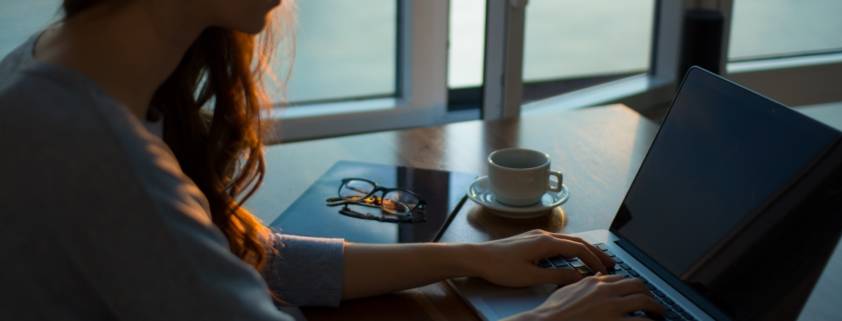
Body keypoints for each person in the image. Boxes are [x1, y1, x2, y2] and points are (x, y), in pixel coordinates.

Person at [0, 0, 664, 320]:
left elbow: (216, 255)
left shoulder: (52, 67)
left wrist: (463, 257)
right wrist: (545, 320)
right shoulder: (100, 157)